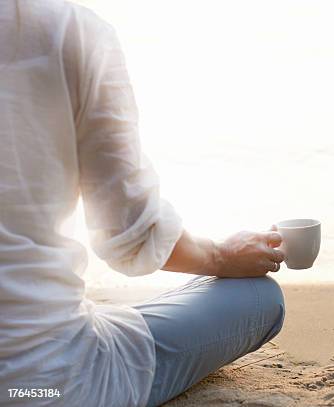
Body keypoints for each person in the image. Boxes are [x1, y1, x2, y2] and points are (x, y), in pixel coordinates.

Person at [0, 1, 285, 406]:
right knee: (261, 300)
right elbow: (131, 236)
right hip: (41, 383)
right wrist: (221, 257)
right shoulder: (68, 31)